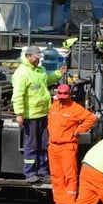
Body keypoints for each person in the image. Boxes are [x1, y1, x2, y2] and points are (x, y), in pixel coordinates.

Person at [11, 45, 67, 183]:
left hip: (43, 114)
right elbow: (17, 96)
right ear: (28, 56)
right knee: (32, 145)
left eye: (39, 58)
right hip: (31, 116)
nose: (38, 61)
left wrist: (58, 74)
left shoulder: (39, 70)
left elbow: (46, 81)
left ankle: (42, 171)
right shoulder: (21, 73)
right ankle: (30, 173)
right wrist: (19, 114)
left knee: (43, 144)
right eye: (36, 58)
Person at [46, 84, 97, 204]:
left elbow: (91, 118)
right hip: (53, 146)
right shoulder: (54, 106)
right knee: (56, 176)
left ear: (69, 95)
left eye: (65, 95)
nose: (63, 97)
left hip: (67, 146)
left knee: (69, 176)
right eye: (60, 94)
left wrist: (78, 131)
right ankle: (58, 203)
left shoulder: (75, 108)